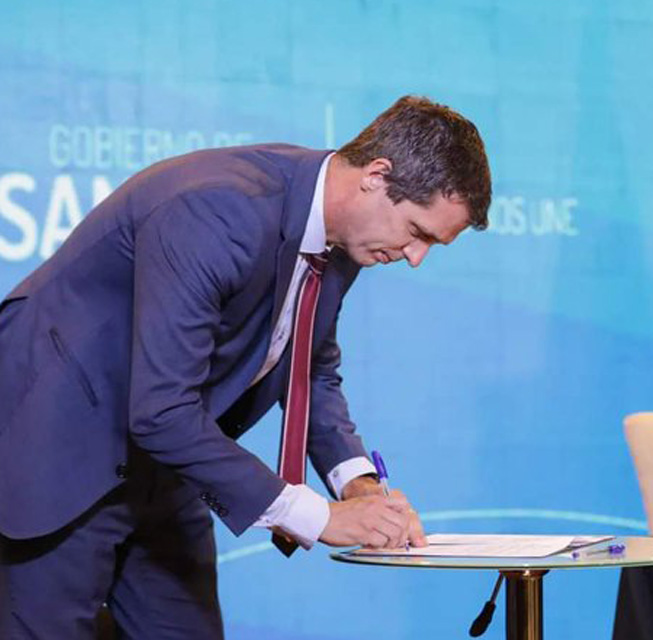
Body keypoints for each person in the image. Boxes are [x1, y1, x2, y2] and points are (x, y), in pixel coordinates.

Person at [0, 95, 492, 638]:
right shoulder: (217, 211)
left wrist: (358, 486)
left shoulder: (345, 236)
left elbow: (310, 366)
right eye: (418, 232)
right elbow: (162, 410)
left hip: (168, 463)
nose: (416, 257)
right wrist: (318, 517)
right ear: (377, 177)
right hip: (58, 449)